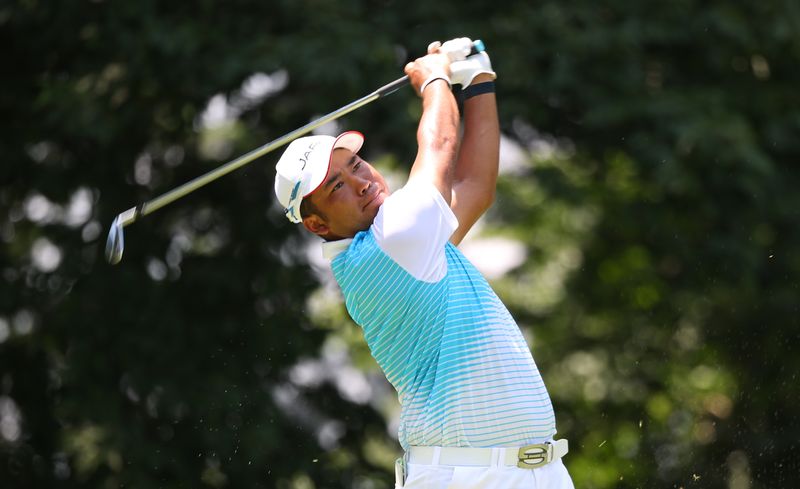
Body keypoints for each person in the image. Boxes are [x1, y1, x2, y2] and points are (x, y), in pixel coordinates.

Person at [274, 38, 574, 489]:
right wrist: (434, 79)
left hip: (534, 472)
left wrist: (478, 80)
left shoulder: (409, 243)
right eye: (336, 187)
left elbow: (475, 185)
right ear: (317, 224)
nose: (360, 183)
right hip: (467, 477)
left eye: (356, 164)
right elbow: (440, 142)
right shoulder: (389, 244)